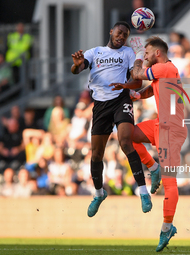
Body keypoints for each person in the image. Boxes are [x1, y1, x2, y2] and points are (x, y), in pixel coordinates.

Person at [110, 36, 187, 252]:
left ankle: (167, 227)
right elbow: (150, 91)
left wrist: (135, 55)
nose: (145, 56)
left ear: (158, 53)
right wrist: (131, 93)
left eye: (147, 53)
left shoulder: (164, 68)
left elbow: (137, 74)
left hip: (171, 130)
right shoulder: (165, 73)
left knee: (170, 183)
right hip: (159, 124)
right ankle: (153, 167)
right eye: (143, 54)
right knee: (126, 134)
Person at [71, 21, 153, 217]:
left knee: (126, 141)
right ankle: (99, 194)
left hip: (120, 99)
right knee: (96, 154)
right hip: (100, 105)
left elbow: (138, 80)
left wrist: (125, 86)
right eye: (119, 32)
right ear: (111, 32)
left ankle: (143, 191)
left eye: (125, 35)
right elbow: (78, 69)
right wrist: (76, 65)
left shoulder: (128, 53)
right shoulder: (95, 52)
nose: (121, 36)